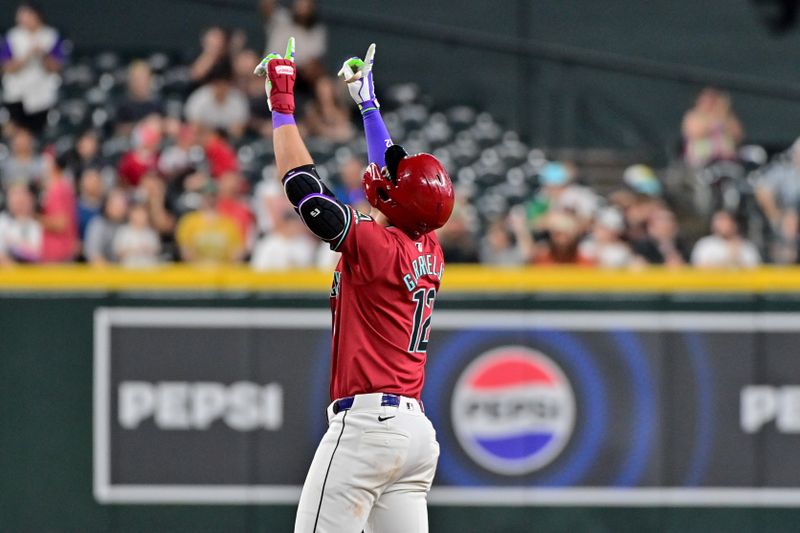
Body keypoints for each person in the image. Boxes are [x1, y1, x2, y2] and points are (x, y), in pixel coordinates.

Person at [254, 39, 453, 532]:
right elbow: (392, 174)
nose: (388, 174)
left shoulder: (377, 245)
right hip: (413, 436)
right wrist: (368, 105)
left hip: (368, 427)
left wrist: (282, 107)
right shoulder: (429, 247)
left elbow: (303, 188)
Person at [0, 2, 65, 134]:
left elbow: (57, 67)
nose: (22, 19)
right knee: (15, 132)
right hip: (17, 94)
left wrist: (42, 55)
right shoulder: (12, 37)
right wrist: (26, 56)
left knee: (39, 133)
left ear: (36, 16)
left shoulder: (50, 36)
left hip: (43, 96)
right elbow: (6, 67)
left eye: (26, 15)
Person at [175, 183, 244, 264]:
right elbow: (186, 251)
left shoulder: (229, 223)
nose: (209, 199)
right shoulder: (189, 221)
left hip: (223, 272)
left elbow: (237, 252)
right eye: (206, 195)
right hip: (195, 272)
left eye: (212, 195)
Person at [184, 62, 250, 139]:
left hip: (229, 142)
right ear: (212, 84)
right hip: (204, 140)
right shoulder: (199, 98)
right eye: (218, 84)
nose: (221, 88)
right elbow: (194, 126)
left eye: (224, 84)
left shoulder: (238, 100)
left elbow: (239, 130)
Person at [682, 87, 743, 169]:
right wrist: (712, 116)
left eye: (713, 99)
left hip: (727, 161)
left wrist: (723, 114)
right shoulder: (694, 116)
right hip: (702, 161)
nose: (710, 103)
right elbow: (696, 133)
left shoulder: (726, 116)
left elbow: (738, 135)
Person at [250, 206, 315, 270]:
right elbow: (259, 269)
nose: (294, 228)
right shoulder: (268, 244)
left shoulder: (305, 244)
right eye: (292, 225)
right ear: (284, 224)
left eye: (296, 225)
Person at [39, 155, 78, 262]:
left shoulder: (57, 190)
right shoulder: (66, 187)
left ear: (53, 167)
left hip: (57, 253)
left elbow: (61, 223)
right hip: (65, 250)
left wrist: (35, 219)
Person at [691, 210, 761, 268]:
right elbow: (698, 267)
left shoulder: (746, 246)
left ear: (734, 224)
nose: (720, 224)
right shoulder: (705, 244)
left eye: (724, 220)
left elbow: (755, 269)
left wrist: (735, 258)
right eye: (718, 221)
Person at [115, 60, 165, 133]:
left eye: (143, 78)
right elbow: (119, 131)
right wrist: (144, 125)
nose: (140, 83)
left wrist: (163, 125)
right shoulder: (123, 105)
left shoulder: (157, 102)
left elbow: (165, 124)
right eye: (136, 79)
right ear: (130, 81)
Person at [84, 188, 128, 265]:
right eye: (116, 204)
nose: (119, 208)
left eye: (122, 204)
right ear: (107, 205)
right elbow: (94, 254)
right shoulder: (97, 224)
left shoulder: (129, 225)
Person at [0, 182, 42, 264]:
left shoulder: (36, 224)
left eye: (23, 196)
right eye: (14, 196)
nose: (18, 200)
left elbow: (37, 253)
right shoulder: (3, 221)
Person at [113, 202, 160, 268]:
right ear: (131, 215)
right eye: (137, 213)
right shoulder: (123, 231)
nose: (140, 217)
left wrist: (146, 249)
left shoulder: (151, 232)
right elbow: (118, 251)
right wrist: (133, 250)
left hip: (148, 269)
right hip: (128, 269)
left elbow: (156, 250)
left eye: (142, 214)